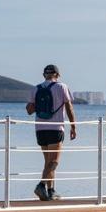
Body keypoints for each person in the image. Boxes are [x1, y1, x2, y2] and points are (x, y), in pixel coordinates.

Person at [25, 64, 77, 201]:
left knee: (48, 161)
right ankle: (41, 185)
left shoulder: (36, 88)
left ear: (44, 75)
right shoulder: (62, 87)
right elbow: (69, 107)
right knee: (54, 161)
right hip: (56, 128)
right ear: (57, 75)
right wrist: (73, 126)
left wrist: (40, 103)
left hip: (40, 129)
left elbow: (29, 110)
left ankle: (51, 191)